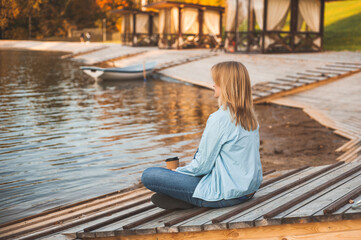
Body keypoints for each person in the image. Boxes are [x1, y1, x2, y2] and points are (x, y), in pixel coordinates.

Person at [141, 61, 263, 209]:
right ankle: (185, 198)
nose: (213, 85)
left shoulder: (220, 118)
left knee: (150, 175)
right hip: (247, 191)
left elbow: (202, 166)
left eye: (216, 81)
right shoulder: (250, 117)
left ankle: (194, 199)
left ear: (225, 85)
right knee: (173, 182)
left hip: (226, 193)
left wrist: (177, 171)